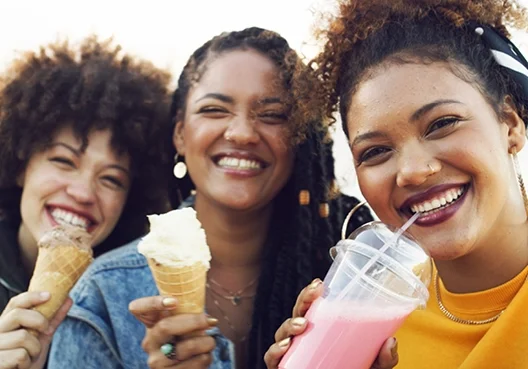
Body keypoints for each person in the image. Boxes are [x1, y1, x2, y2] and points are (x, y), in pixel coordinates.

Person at [48, 27, 372, 369]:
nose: (242, 133)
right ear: (179, 134)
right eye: (215, 110)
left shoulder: (348, 280)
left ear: (300, 142)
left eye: (272, 115)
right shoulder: (105, 294)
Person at [265, 0, 528, 368]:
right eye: (375, 152)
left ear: (511, 125)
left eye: (441, 123)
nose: (413, 171)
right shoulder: (376, 322)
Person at [0, 36, 172, 369]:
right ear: (20, 163)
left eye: (111, 179)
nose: (83, 192)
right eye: (64, 161)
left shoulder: (136, 302)